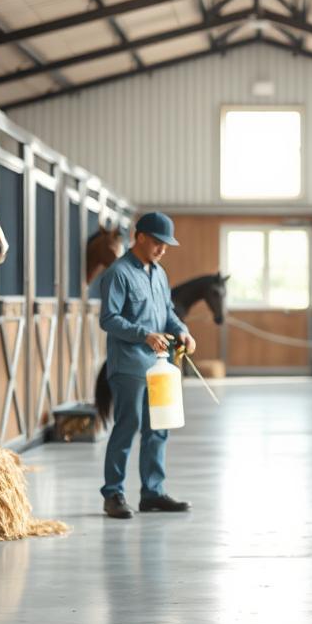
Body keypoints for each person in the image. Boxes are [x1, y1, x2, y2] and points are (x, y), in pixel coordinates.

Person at [98, 212, 196, 519]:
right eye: (157, 243)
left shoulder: (159, 273)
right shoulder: (119, 273)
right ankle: (113, 494)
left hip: (159, 366)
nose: (162, 249)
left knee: (159, 428)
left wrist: (182, 330)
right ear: (139, 237)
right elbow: (109, 319)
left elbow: (166, 311)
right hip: (129, 366)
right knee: (128, 427)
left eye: (166, 245)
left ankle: (153, 493)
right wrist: (145, 335)